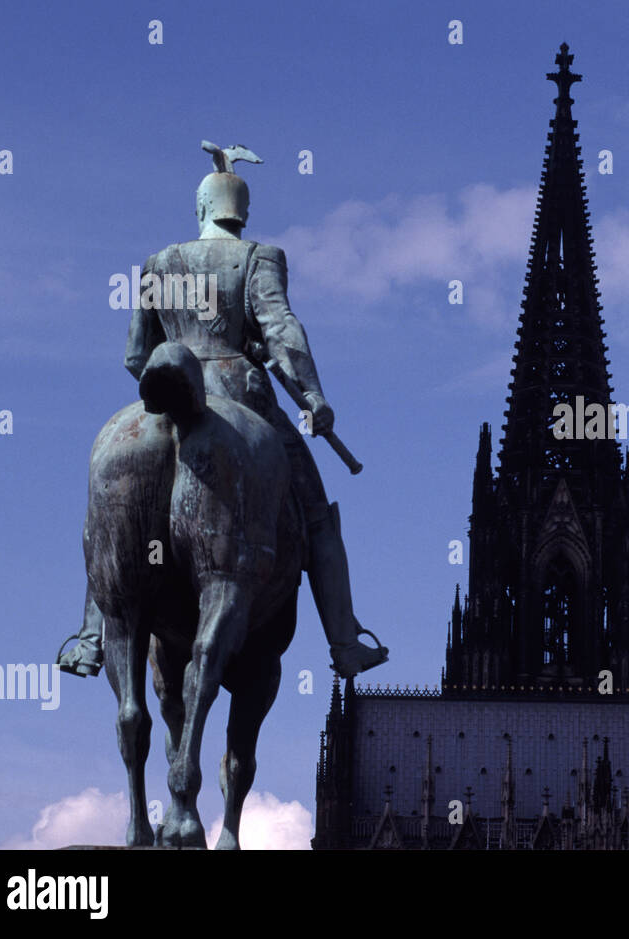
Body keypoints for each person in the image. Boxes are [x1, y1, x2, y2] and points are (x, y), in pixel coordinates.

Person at [58, 143, 387, 679]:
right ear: (243, 213)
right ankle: (346, 643)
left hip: (163, 403)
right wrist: (313, 396)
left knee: (108, 520)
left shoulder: (160, 263)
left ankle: (91, 635)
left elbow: (135, 356)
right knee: (320, 519)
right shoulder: (259, 257)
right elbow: (281, 327)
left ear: (202, 209)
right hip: (244, 398)